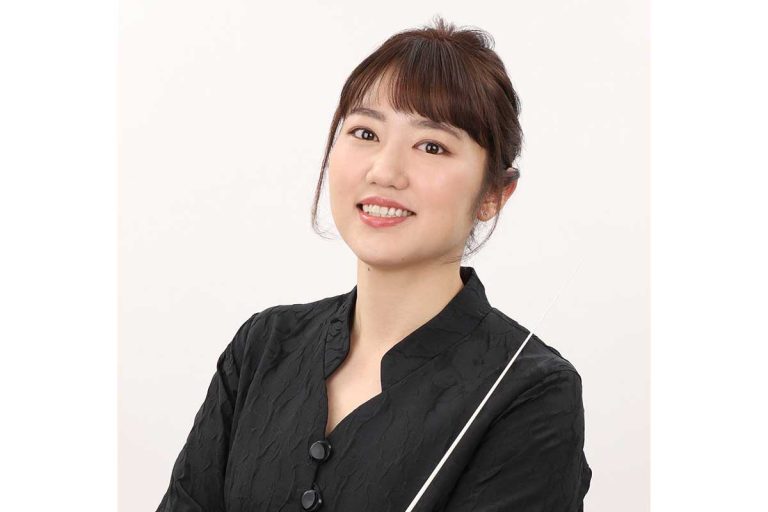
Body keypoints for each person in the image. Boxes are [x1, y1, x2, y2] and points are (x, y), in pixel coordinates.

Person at [156, 16, 592, 512]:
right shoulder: (263, 346)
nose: (384, 171)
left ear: (494, 193)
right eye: (365, 132)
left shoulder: (532, 392)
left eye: (432, 146)